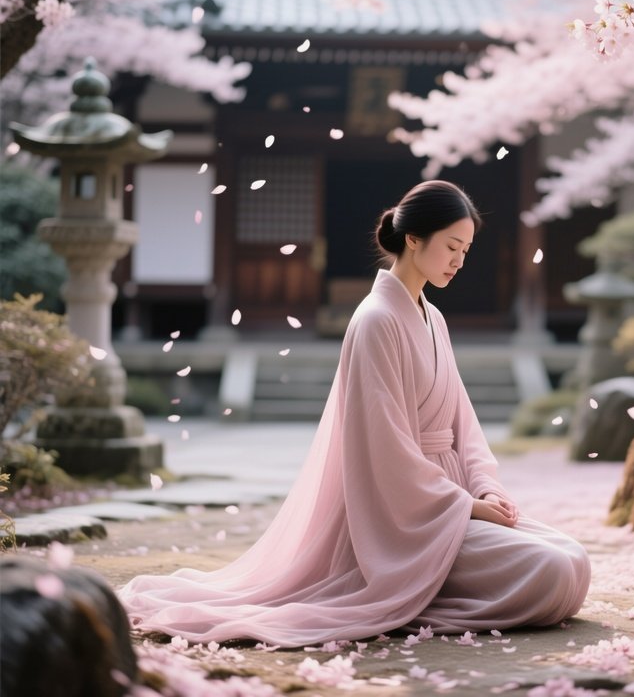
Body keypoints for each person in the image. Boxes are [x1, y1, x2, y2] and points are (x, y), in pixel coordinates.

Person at [119, 180, 590, 646]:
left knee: (573, 559)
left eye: (465, 250)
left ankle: (443, 579)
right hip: (406, 517)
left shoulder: (434, 317)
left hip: (453, 500)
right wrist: (465, 507)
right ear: (413, 238)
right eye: (451, 246)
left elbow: (462, 425)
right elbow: (385, 453)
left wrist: (485, 487)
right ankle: (412, 591)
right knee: (551, 572)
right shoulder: (375, 320)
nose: (459, 261)